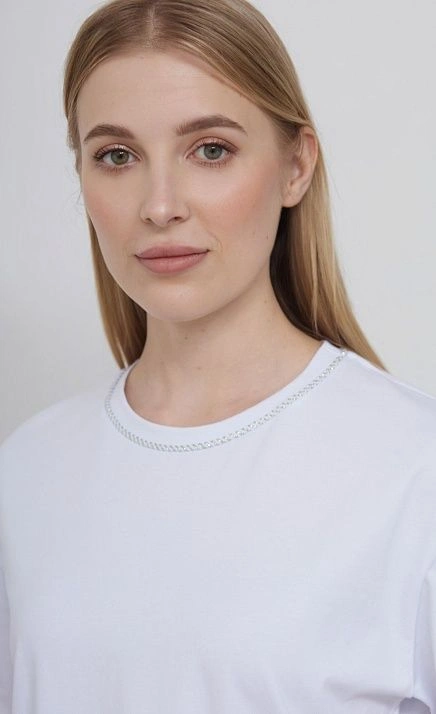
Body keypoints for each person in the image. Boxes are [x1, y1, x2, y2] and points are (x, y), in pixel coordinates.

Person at [0, 0, 435, 711]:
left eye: (210, 150)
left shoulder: (416, 473)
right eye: (117, 156)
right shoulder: (24, 474)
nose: (160, 205)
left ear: (296, 166)